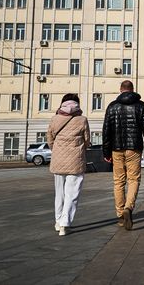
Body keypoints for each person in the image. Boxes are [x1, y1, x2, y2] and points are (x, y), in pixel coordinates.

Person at [102, 80, 144, 230]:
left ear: (120, 90)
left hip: (116, 149)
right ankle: (128, 208)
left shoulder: (112, 106)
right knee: (133, 179)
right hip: (134, 148)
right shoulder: (141, 106)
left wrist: (106, 152)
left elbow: (106, 131)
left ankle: (120, 215)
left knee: (118, 182)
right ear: (132, 90)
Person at [47, 93, 91, 236]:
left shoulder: (54, 119)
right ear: (77, 104)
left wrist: (57, 150)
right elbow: (87, 141)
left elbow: (50, 139)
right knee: (72, 193)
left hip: (58, 161)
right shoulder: (82, 119)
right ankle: (65, 224)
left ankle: (58, 221)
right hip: (75, 161)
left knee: (59, 193)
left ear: (62, 103)